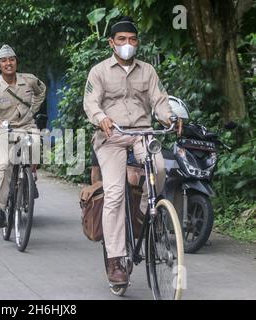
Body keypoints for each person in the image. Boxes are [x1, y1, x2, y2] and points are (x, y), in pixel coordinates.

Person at [83, 17, 179, 286]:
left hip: (142, 133)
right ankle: (116, 261)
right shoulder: (99, 71)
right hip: (111, 137)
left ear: (137, 43)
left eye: (132, 39)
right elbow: (90, 102)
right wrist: (101, 117)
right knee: (114, 194)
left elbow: (160, 101)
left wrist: (168, 119)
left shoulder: (147, 71)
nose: (128, 44)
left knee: (159, 168)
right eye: (122, 39)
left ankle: (142, 209)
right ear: (111, 42)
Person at [0, 44, 46, 228]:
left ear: (16, 61)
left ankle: (29, 177)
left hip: (27, 126)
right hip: (4, 130)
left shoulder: (29, 80)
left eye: (11, 59)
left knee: (37, 142)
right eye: (4, 61)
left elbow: (42, 90)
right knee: (2, 165)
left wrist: (33, 109)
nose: (8, 63)